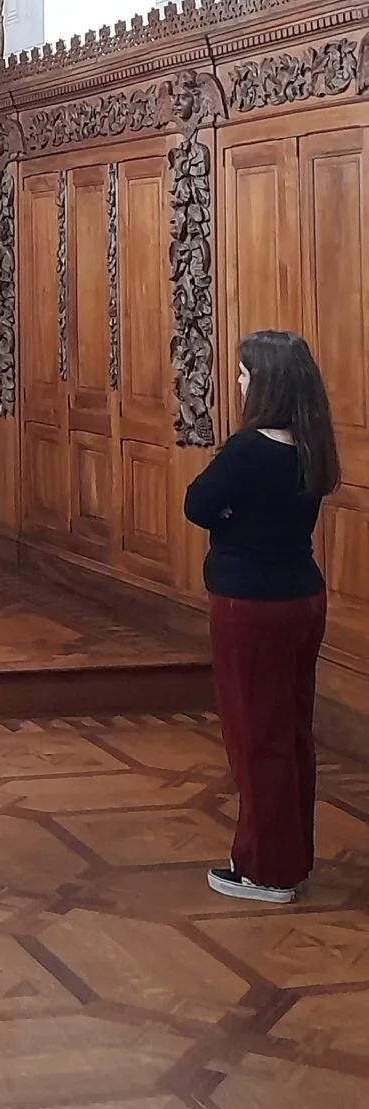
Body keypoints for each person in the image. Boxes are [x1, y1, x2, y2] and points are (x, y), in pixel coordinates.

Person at [184, 328, 339, 905]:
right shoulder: (313, 444)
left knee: (256, 736)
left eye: (245, 373)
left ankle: (265, 870)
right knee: (290, 732)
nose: (239, 382)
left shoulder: (250, 448)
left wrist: (229, 511)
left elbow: (197, 503)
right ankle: (288, 857)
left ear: (265, 382)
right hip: (302, 598)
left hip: (251, 604)